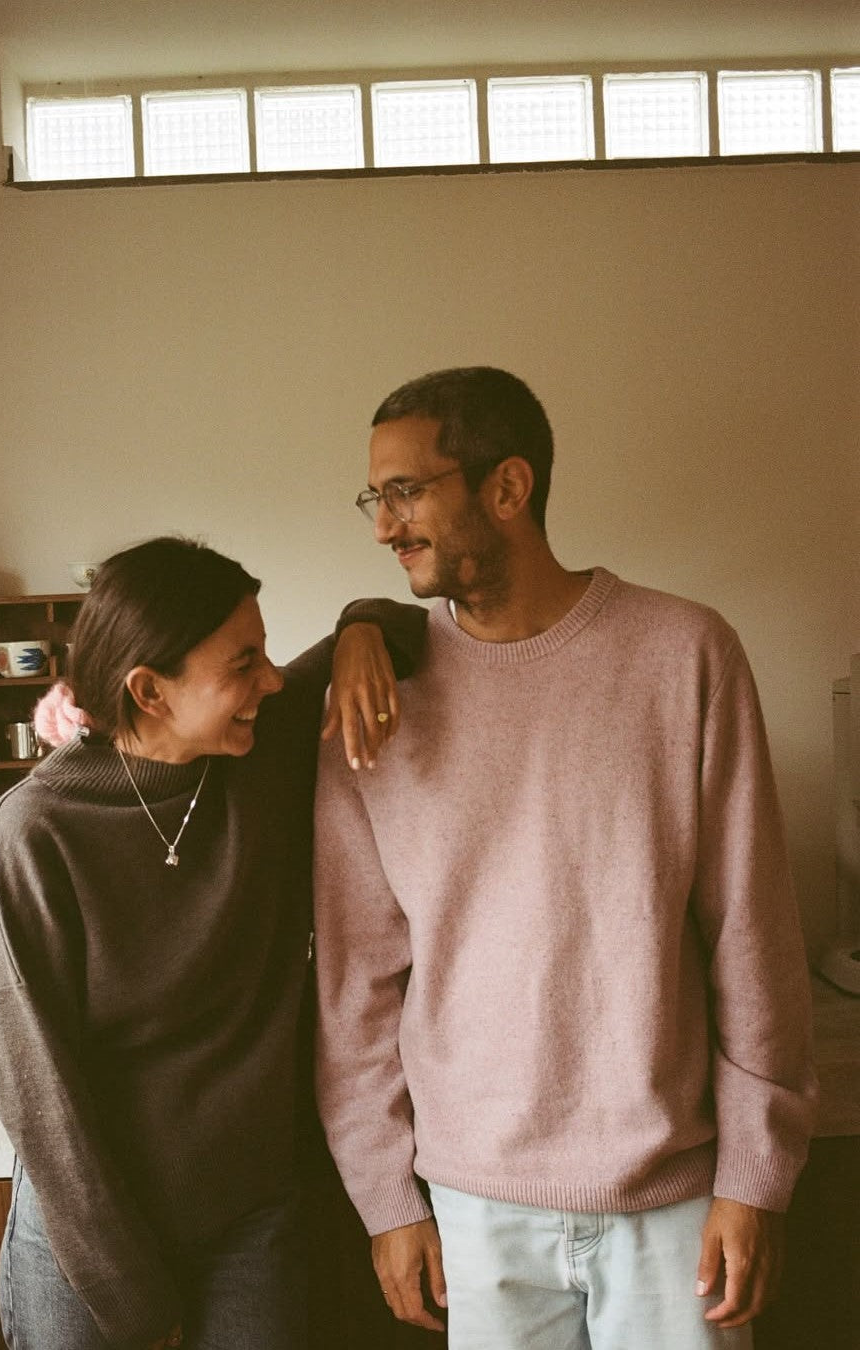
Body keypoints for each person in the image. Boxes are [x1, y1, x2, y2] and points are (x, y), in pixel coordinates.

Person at [311, 367, 819, 1350]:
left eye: (407, 491)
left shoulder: (685, 656)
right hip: (474, 1210)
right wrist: (389, 1202)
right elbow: (355, 986)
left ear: (508, 488)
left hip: (678, 1205)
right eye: (376, 498)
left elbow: (753, 939)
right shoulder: (373, 701)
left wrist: (757, 1181)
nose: (383, 526)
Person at [0, 536, 424, 1350]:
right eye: (243, 663)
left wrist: (359, 631)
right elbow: (34, 1084)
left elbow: (404, 622)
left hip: (250, 1217)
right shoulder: (39, 827)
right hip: (88, 1233)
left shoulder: (264, 744)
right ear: (149, 690)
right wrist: (129, 1292)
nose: (273, 679)